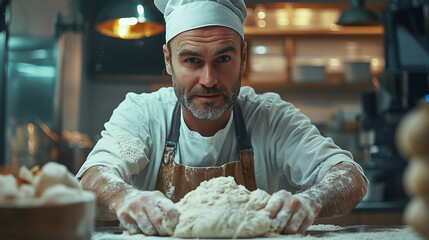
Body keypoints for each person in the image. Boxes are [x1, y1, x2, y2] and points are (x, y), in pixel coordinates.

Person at [77, 0, 368, 236]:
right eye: (192, 60)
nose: (209, 79)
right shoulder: (143, 114)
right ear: (168, 60)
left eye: (223, 59)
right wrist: (124, 198)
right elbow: (93, 177)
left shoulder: (269, 116)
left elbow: (349, 176)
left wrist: (310, 201)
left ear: (243, 57)